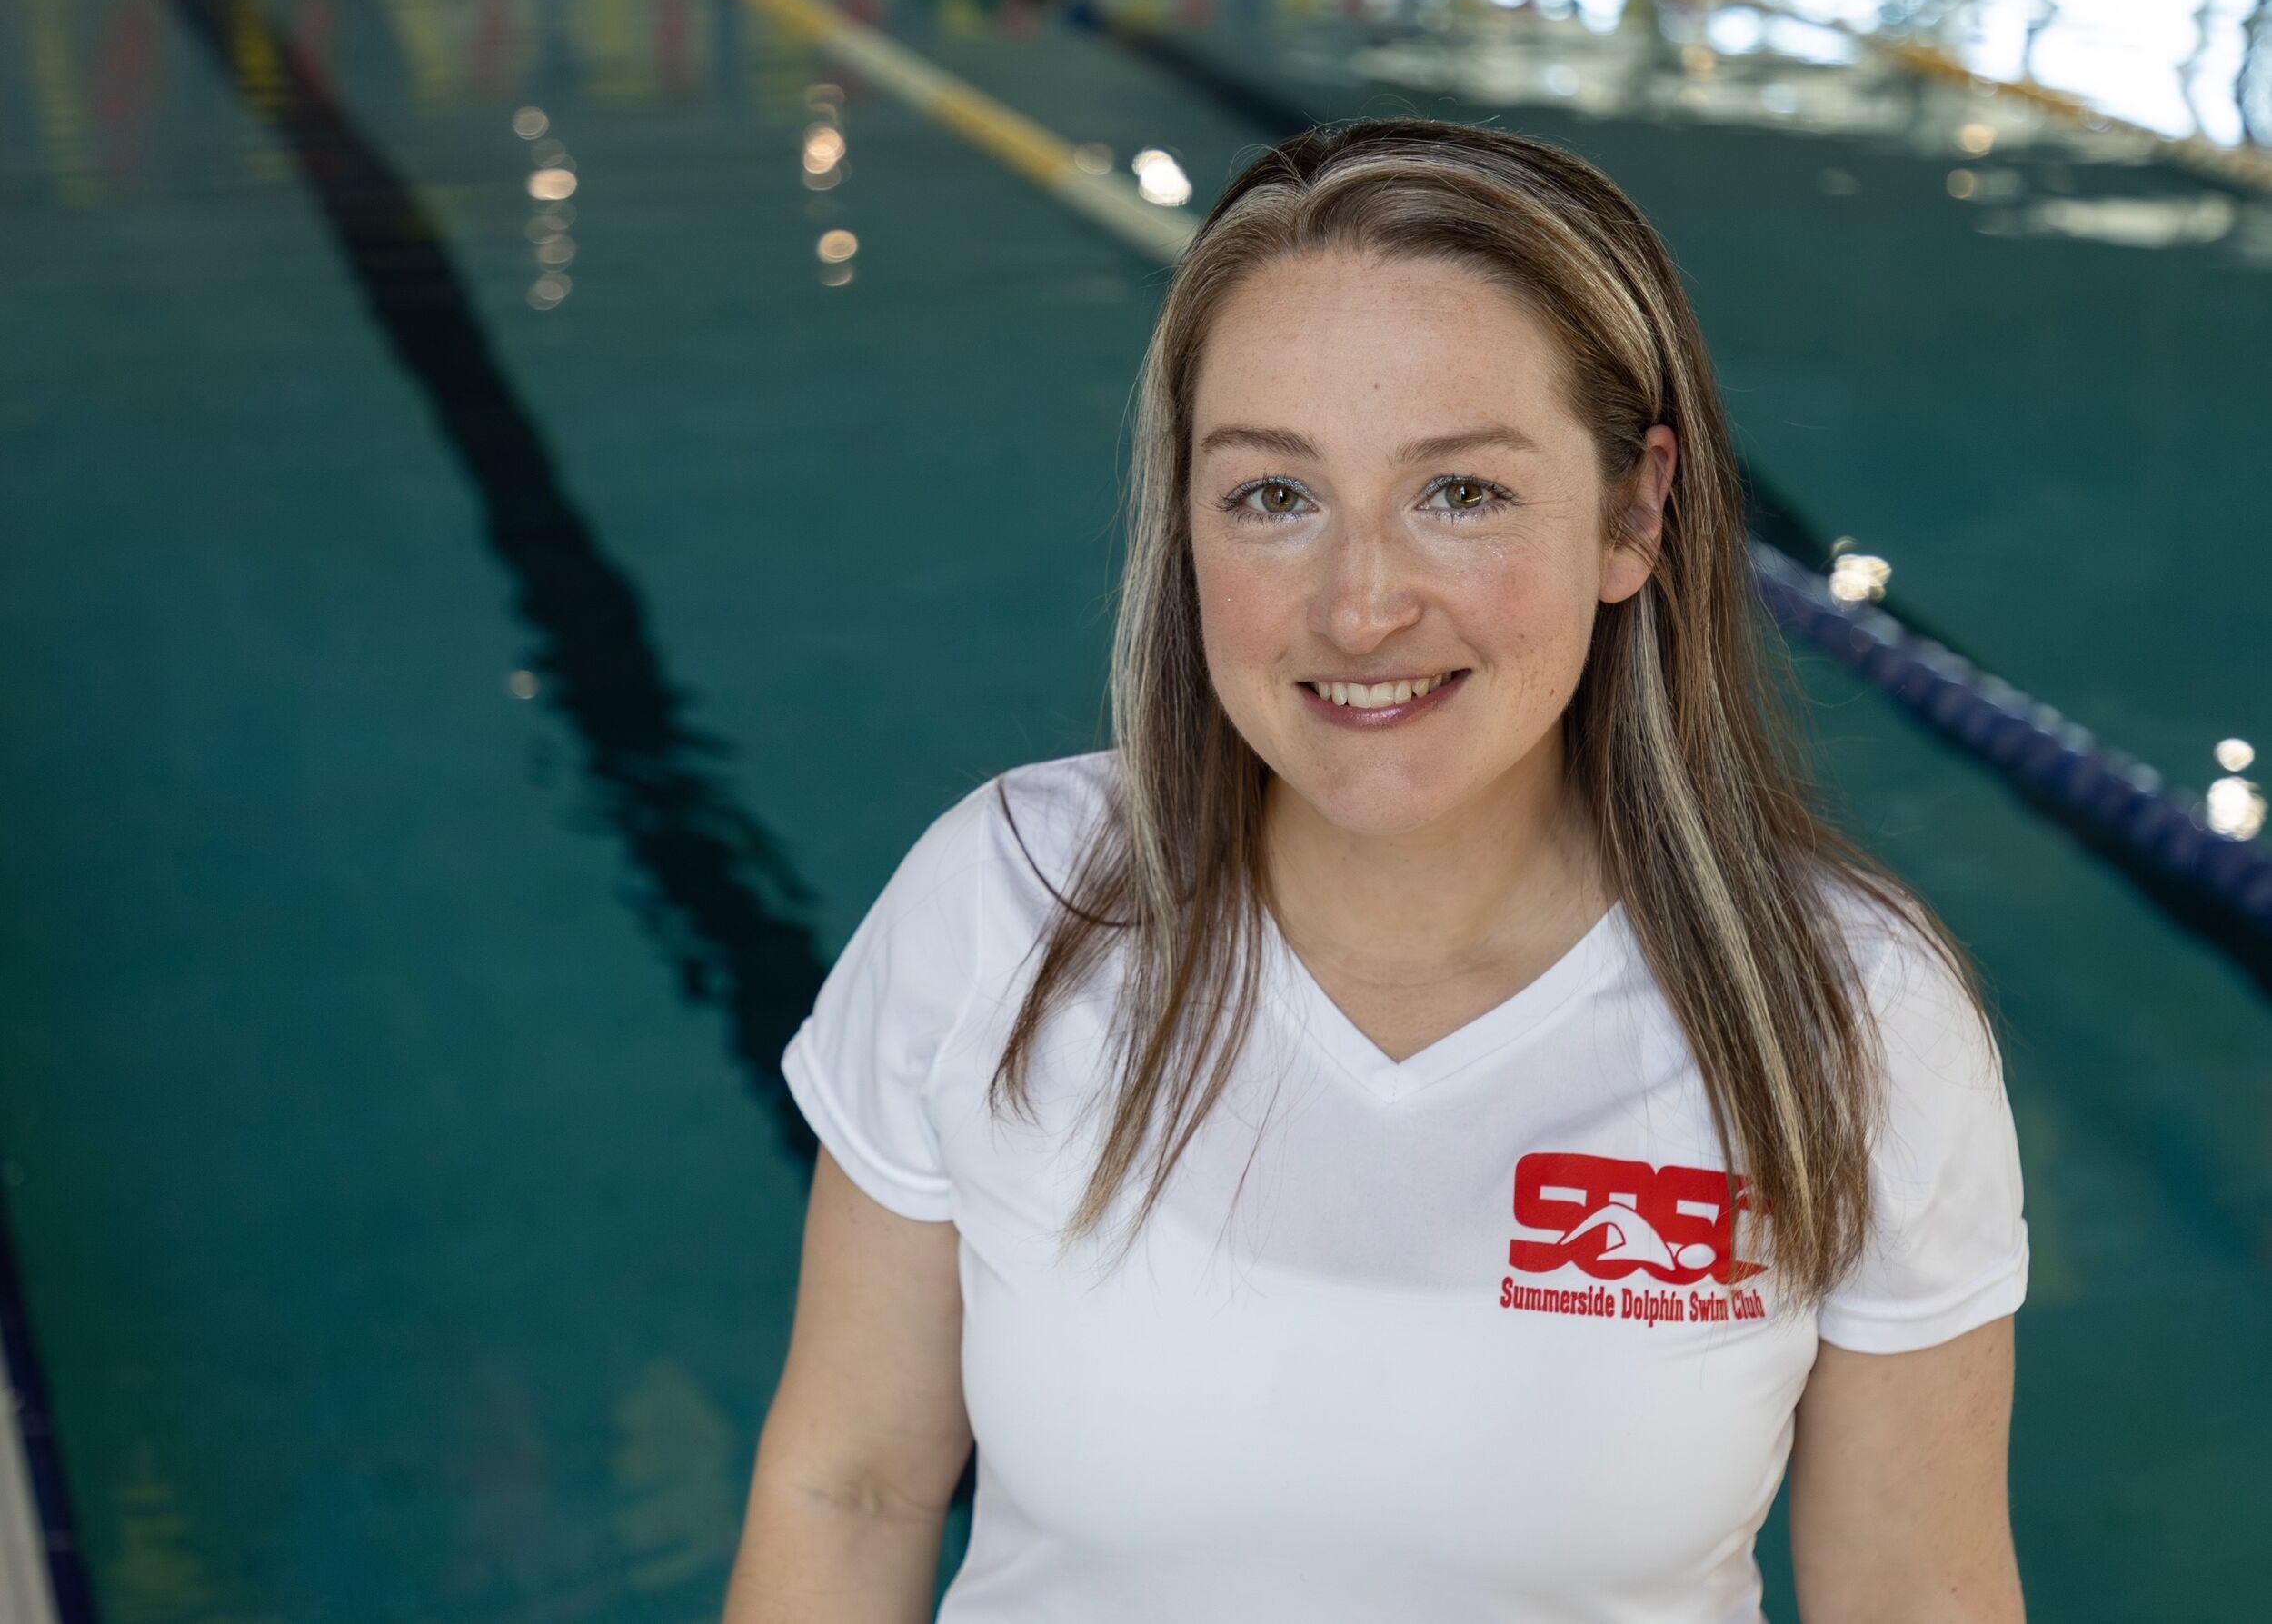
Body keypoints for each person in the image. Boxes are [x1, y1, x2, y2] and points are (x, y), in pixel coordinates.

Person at [726, 116, 2029, 1622]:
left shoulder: (1844, 1011)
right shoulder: (1010, 905)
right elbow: (852, 1486)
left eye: (1459, 492)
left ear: (1634, 509)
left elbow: (1916, 1593)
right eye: (1274, 495)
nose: (1358, 608)